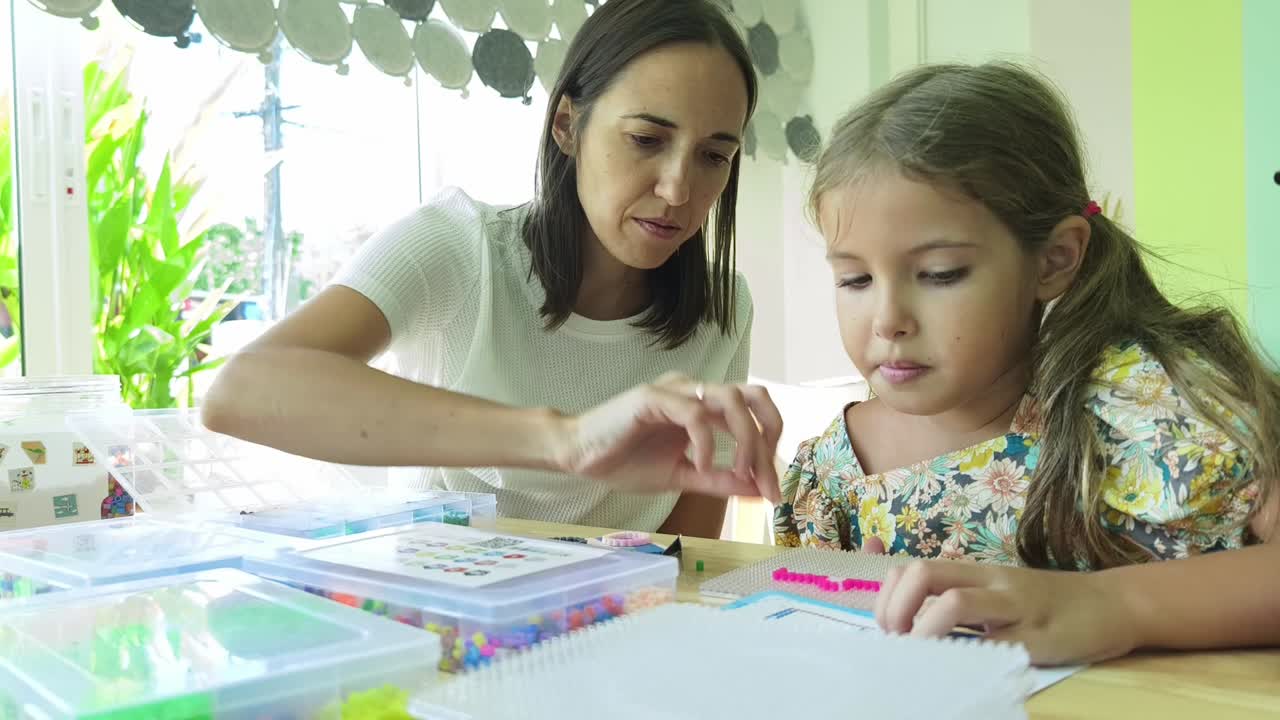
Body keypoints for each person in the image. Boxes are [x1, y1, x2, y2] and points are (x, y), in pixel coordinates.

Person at [202, 0, 782, 539]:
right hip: (431, 600)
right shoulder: (459, 245)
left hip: (619, 610)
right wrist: (566, 440)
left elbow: (686, 557)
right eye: (646, 139)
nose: (678, 189)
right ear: (567, 126)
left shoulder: (724, 310)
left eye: (714, 156)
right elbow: (242, 390)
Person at [773, 62, 1277, 571]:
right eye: (856, 279)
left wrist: (1091, 603)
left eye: (941, 274)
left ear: (1054, 260)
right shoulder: (833, 472)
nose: (887, 320)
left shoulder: (1143, 414)